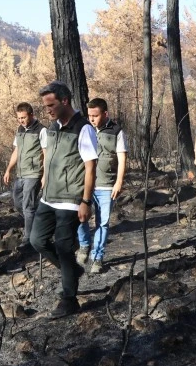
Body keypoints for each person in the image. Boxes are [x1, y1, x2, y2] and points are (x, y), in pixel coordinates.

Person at [30, 81, 97, 319]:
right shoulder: (53, 127)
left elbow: (90, 168)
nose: (47, 110)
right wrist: (44, 183)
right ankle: (72, 271)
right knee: (36, 240)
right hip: (48, 198)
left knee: (64, 248)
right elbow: (49, 158)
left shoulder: (83, 128)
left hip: (71, 200)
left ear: (65, 101)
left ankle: (69, 300)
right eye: (45, 105)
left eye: (51, 105)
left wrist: (85, 202)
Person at [76, 98, 127, 274]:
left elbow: (122, 158)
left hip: (107, 185)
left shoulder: (116, 131)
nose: (91, 119)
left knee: (102, 223)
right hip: (84, 184)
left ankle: (97, 257)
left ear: (105, 114)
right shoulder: (84, 128)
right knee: (80, 218)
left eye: (95, 115)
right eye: (89, 115)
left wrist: (119, 182)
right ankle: (84, 245)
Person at [3, 103, 47, 250]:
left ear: (31, 115)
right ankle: (37, 225)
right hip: (20, 173)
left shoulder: (42, 131)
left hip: (34, 173)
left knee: (28, 206)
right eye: (19, 118)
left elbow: (46, 154)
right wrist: (9, 169)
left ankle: (28, 239)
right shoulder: (20, 130)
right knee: (17, 202)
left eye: (23, 117)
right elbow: (17, 151)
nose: (21, 120)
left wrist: (44, 176)